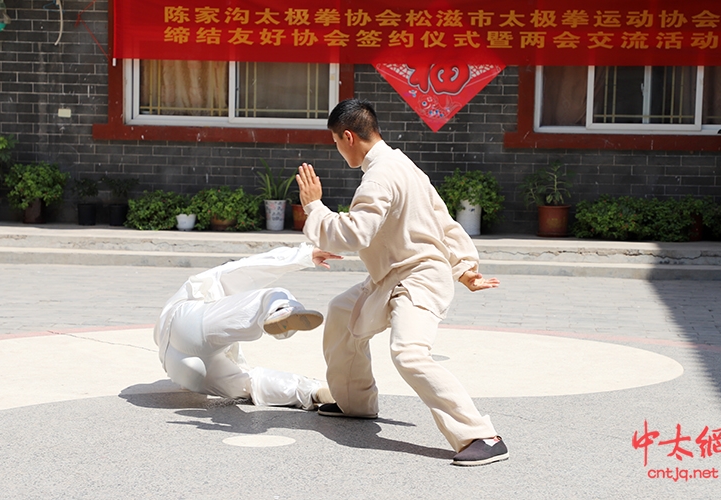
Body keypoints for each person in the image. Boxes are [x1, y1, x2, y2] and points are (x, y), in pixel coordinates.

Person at [295, 98, 508, 466]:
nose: (336, 149)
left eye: (334, 141)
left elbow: (357, 233)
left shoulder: (379, 176)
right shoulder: (401, 164)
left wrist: (315, 208)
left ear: (348, 137)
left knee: (409, 353)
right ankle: (356, 403)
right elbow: (440, 218)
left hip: (419, 277)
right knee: (342, 313)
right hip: (393, 275)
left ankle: (481, 436)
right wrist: (465, 266)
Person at [153, 243, 341, 410]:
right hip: (188, 324)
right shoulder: (215, 278)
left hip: (180, 370)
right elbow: (253, 266)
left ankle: (314, 392)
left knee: (248, 384)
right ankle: (280, 310)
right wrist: (305, 255)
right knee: (268, 297)